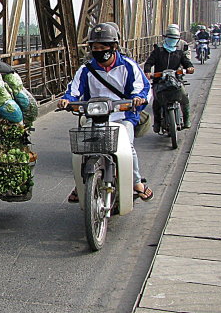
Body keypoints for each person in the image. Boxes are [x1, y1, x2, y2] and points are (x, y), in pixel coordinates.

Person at [57, 22, 153, 202]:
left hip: (122, 115)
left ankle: (136, 182)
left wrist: (139, 98)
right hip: (94, 115)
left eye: (103, 47)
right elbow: (73, 90)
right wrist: (67, 100)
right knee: (83, 150)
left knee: (128, 148)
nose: (99, 51)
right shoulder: (86, 69)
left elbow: (144, 88)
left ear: (114, 47)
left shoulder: (128, 66)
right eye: (95, 47)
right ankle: (81, 183)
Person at [144, 25, 195, 131]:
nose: (172, 41)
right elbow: (149, 63)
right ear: (166, 38)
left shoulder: (179, 53)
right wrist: (148, 72)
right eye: (170, 38)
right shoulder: (158, 51)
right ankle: (157, 123)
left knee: (184, 98)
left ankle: (187, 120)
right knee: (156, 102)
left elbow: (186, 62)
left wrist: (189, 67)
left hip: (175, 80)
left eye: (175, 39)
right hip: (159, 81)